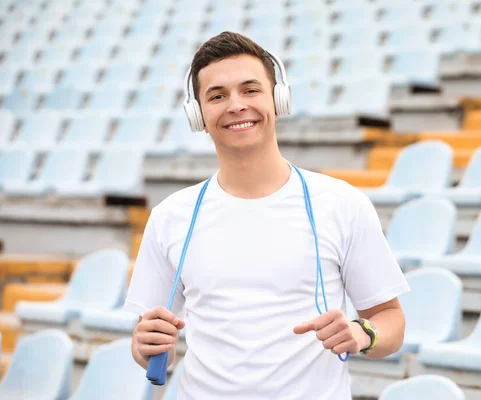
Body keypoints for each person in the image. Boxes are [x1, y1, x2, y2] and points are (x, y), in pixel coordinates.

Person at [124, 31, 410, 400]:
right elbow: (145, 340)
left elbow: (392, 322)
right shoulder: (170, 217)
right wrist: (142, 345)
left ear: (279, 100)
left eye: (250, 89)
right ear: (198, 115)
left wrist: (361, 333)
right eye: (217, 96)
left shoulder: (342, 204)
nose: (236, 105)